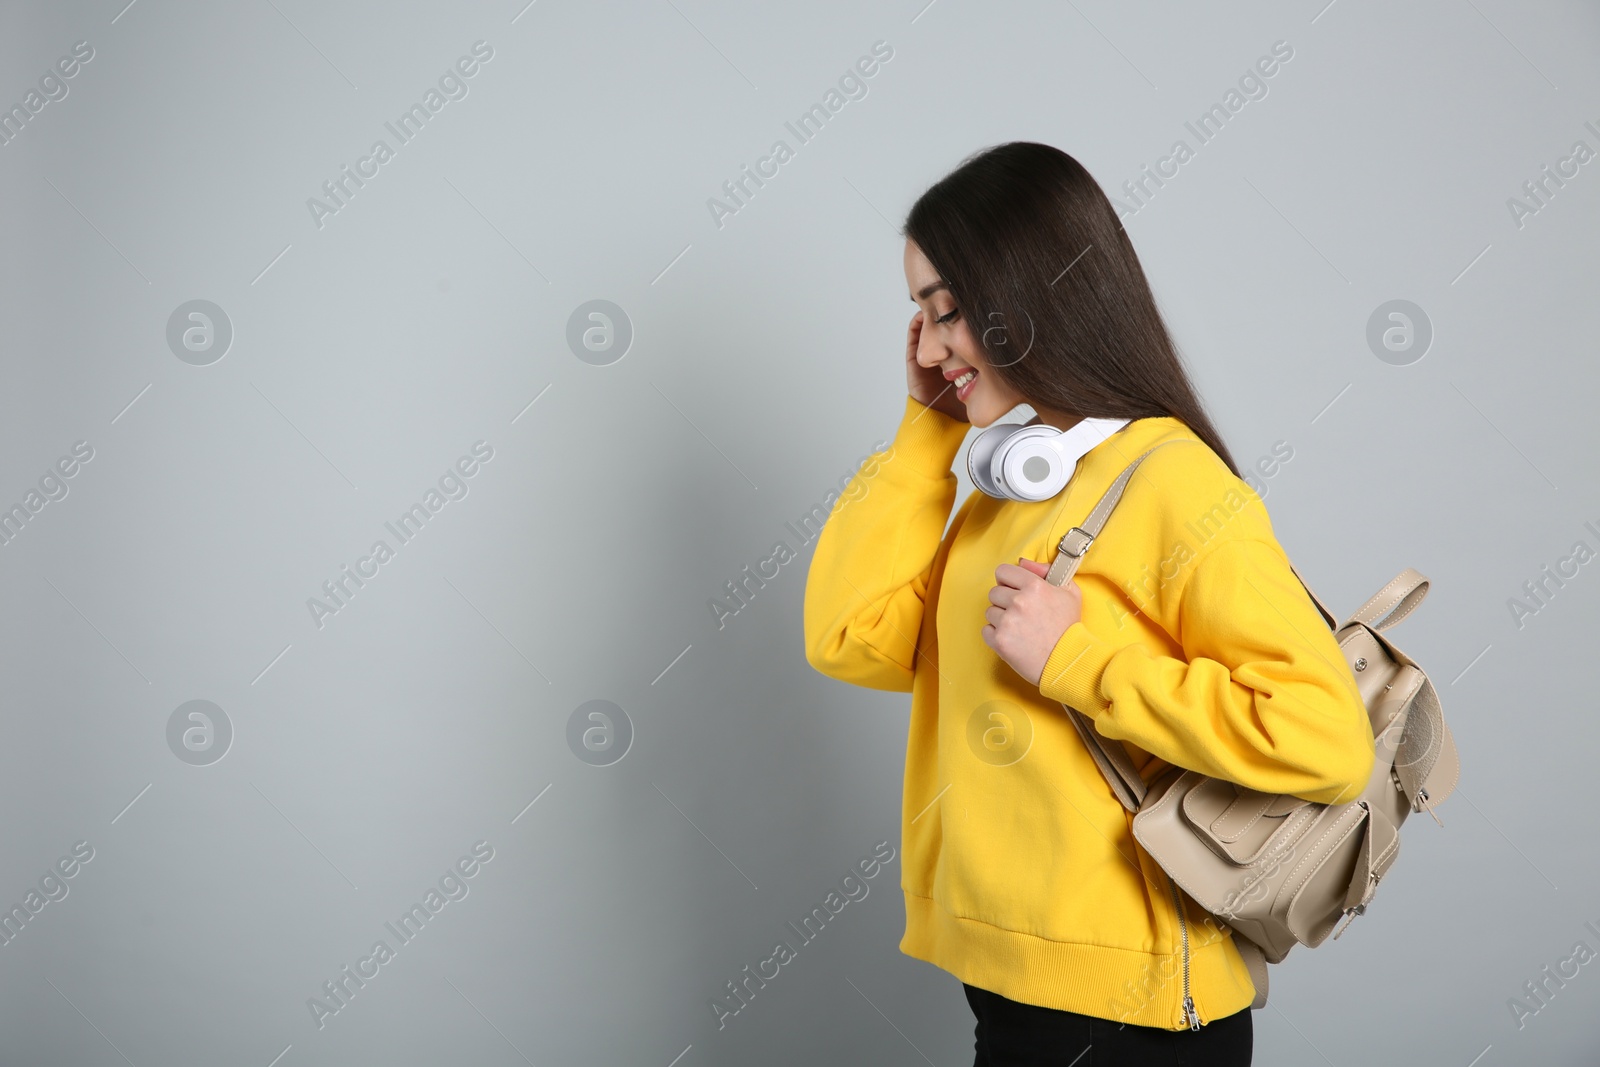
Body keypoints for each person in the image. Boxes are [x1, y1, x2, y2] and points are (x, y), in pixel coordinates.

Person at [801, 142, 1376, 1066]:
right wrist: (924, 438)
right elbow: (851, 639)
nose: (931, 343)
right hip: (1006, 978)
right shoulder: (1012, 485)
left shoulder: (1170, 481)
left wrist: (1081, 662)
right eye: (919, 312)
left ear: (1031, 298)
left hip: (1126, 1010)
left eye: (950, 311)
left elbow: (1325, 739)